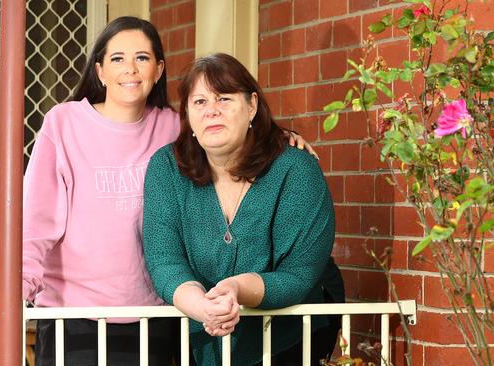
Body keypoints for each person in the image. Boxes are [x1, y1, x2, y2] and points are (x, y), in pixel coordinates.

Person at [0, 16, 313, 365]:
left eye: (142, 58)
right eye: (117, 59)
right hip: (76, 318)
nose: (130, 69)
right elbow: (37, 222)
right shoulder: (64, 123)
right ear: (99, 71)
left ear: (158, 69)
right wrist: (15, 292)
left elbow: (225, 130)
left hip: (155, 317)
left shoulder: (173, 127)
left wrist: (279, 137)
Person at [142, 53, 344, 366]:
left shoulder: (294, 169)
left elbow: (299, 273)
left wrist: (235, 288)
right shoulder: (166, 168)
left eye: (224, 98)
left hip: (291, 332)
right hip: (205, 328)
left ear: (251, 106)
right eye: (199, 102)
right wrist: (203, 307)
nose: (212, 111)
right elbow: (164, 260)